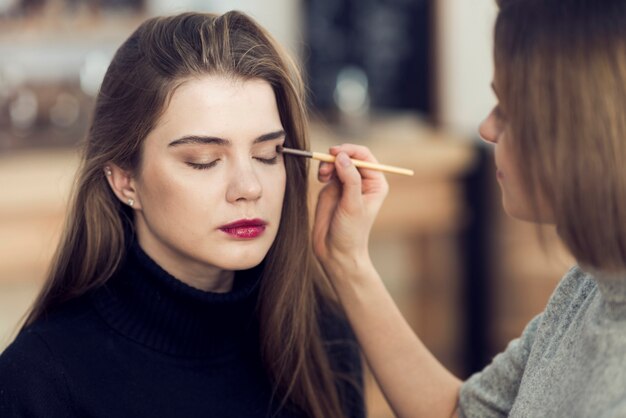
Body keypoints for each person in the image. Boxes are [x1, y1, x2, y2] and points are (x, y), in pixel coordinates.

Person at [0, 11, 364, 418]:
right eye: (203, 160)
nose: (249, 187)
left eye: (268, 155)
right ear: (125, 180)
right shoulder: (40, 381)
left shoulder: (321, 340)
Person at [312, 0, 626, 417]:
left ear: (577, 128)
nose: (486, 129)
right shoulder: (590, 284)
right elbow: (461, 413)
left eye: (508, 110)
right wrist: (346, 260)